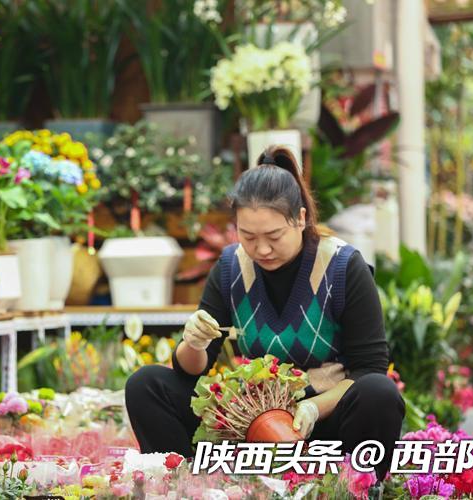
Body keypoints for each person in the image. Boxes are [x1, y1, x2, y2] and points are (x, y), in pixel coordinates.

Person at [125, 145, 405, 480]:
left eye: (274, 235)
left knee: (379, 393)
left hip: (325, 428)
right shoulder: (232, 267)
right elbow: (190, 373)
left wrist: (313, 408)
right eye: (248, 235)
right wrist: (194, 343)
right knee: (146, 385)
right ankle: (188, 486)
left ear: (301, 218)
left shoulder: (343, 267)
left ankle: (354, 487)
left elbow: (369, 369)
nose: (262, 249)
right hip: (251, 429)